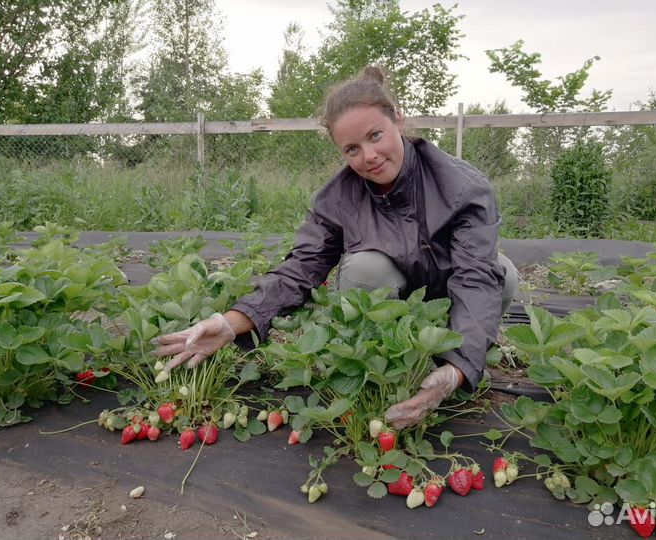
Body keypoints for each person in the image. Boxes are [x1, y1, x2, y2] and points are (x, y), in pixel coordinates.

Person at [153, 66, 518, 429]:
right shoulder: (337, 198)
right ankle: (386, 371)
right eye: (352, 149)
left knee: (503, 273)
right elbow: (301, 268)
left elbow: (474, 278)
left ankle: (447, 369)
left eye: (376, 135)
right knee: (363, 270)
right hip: (391, 310)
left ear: (398, 121)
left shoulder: (461, 186)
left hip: (447, 300)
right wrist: (230, 323)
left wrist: (457, 371)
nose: (369, 156)